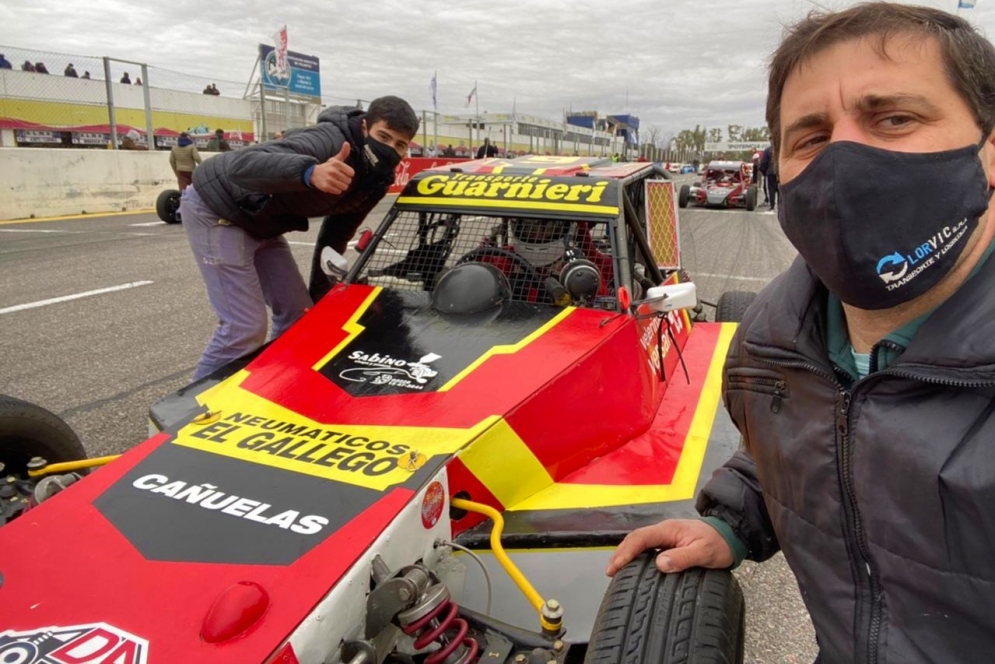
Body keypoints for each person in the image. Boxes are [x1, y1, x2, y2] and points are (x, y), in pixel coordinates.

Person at [607, 4, 995, 661]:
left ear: (987, 150)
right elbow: (808, 442)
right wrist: (732, 523)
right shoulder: (770, 341)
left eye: (892, 118)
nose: (844, 160)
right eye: (810, 136)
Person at [180, 96, 418, 380]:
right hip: (218, 207)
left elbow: (336, 235)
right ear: (365, 127)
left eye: (400, 144)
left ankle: (277, 386)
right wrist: (310, 172)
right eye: (384, 136)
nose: (390, 149)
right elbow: (240, 165)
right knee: (243, 329)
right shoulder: (328, 140)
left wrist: (321, 295)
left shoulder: (375, 182)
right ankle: (190, 415)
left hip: (262, 220)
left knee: (301, 315)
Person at [757, 143, 778, 209]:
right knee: (780, 189)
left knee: (770, 189)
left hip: (770, 173)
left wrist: (764, 173)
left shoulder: (767, 150)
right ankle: (781, 205)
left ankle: (772, 205)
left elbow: (763, 163)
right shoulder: (782, 149)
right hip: (780, 172)